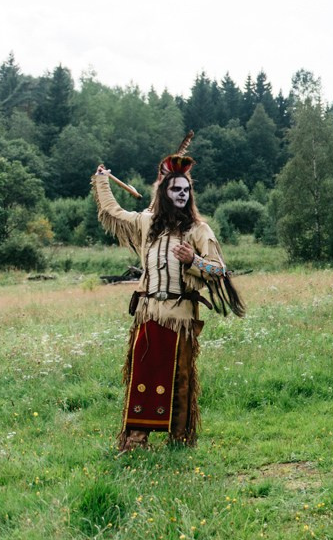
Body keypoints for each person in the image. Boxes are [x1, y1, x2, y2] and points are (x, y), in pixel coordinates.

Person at [93, 153, 244, 452]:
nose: (182, 194)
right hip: (148, 314)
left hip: (181, 317)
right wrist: (101, 180)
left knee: (179, 378)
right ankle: (136, 440)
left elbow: (220, 270)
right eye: (176, 189)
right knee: (142, 377)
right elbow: (113, 212)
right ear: (164, 192)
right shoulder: (147, 224)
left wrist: (194, 260)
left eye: (186, 190)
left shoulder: (199, 230)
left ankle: (180, 438)